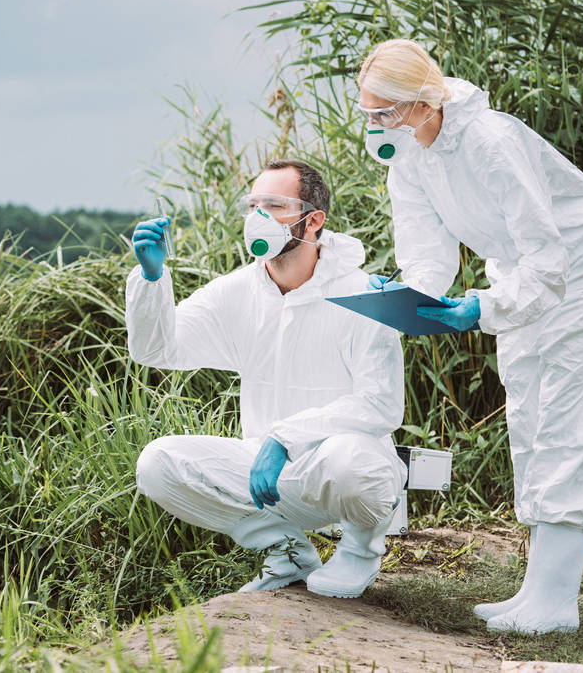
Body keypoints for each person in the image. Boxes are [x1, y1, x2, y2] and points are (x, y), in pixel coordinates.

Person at [354, 39, 583, 634]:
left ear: (424, 103)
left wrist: (482, 307)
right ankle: (536, 591)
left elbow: (548, 255)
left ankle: (557, 601)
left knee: (567, 417)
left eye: (384, 113)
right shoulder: (408, 157)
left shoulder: (491, 142)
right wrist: (412, 298)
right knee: (528, 412)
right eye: (367, 112)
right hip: (518, 271)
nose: (374, 125)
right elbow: (427, 254)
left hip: (578, 267)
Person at [127, 159, 407, 599]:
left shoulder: (362, 296)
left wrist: (284, 438)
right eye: (253, 204)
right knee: (158, 464)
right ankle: (288, 552)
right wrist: (152, 278)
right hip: (268, 477)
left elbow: (381, 404)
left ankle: (359, 550)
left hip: (341, 472)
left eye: (274, 205)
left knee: (350, 461)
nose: (258, 217)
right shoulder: (236, 292)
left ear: (313, 220)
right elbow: (158, 350)